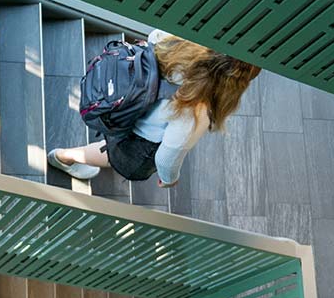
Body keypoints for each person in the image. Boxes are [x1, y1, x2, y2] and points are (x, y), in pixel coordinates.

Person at [48, 30, 262, 188]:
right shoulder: (196, 107)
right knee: (111, 154)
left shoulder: (180, 40)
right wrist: (169, 179)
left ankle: (67, 155)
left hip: (118, 102)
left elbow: (153, 37)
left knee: (110, 142)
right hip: (138, 138)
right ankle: (63, 156)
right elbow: (168, 156)